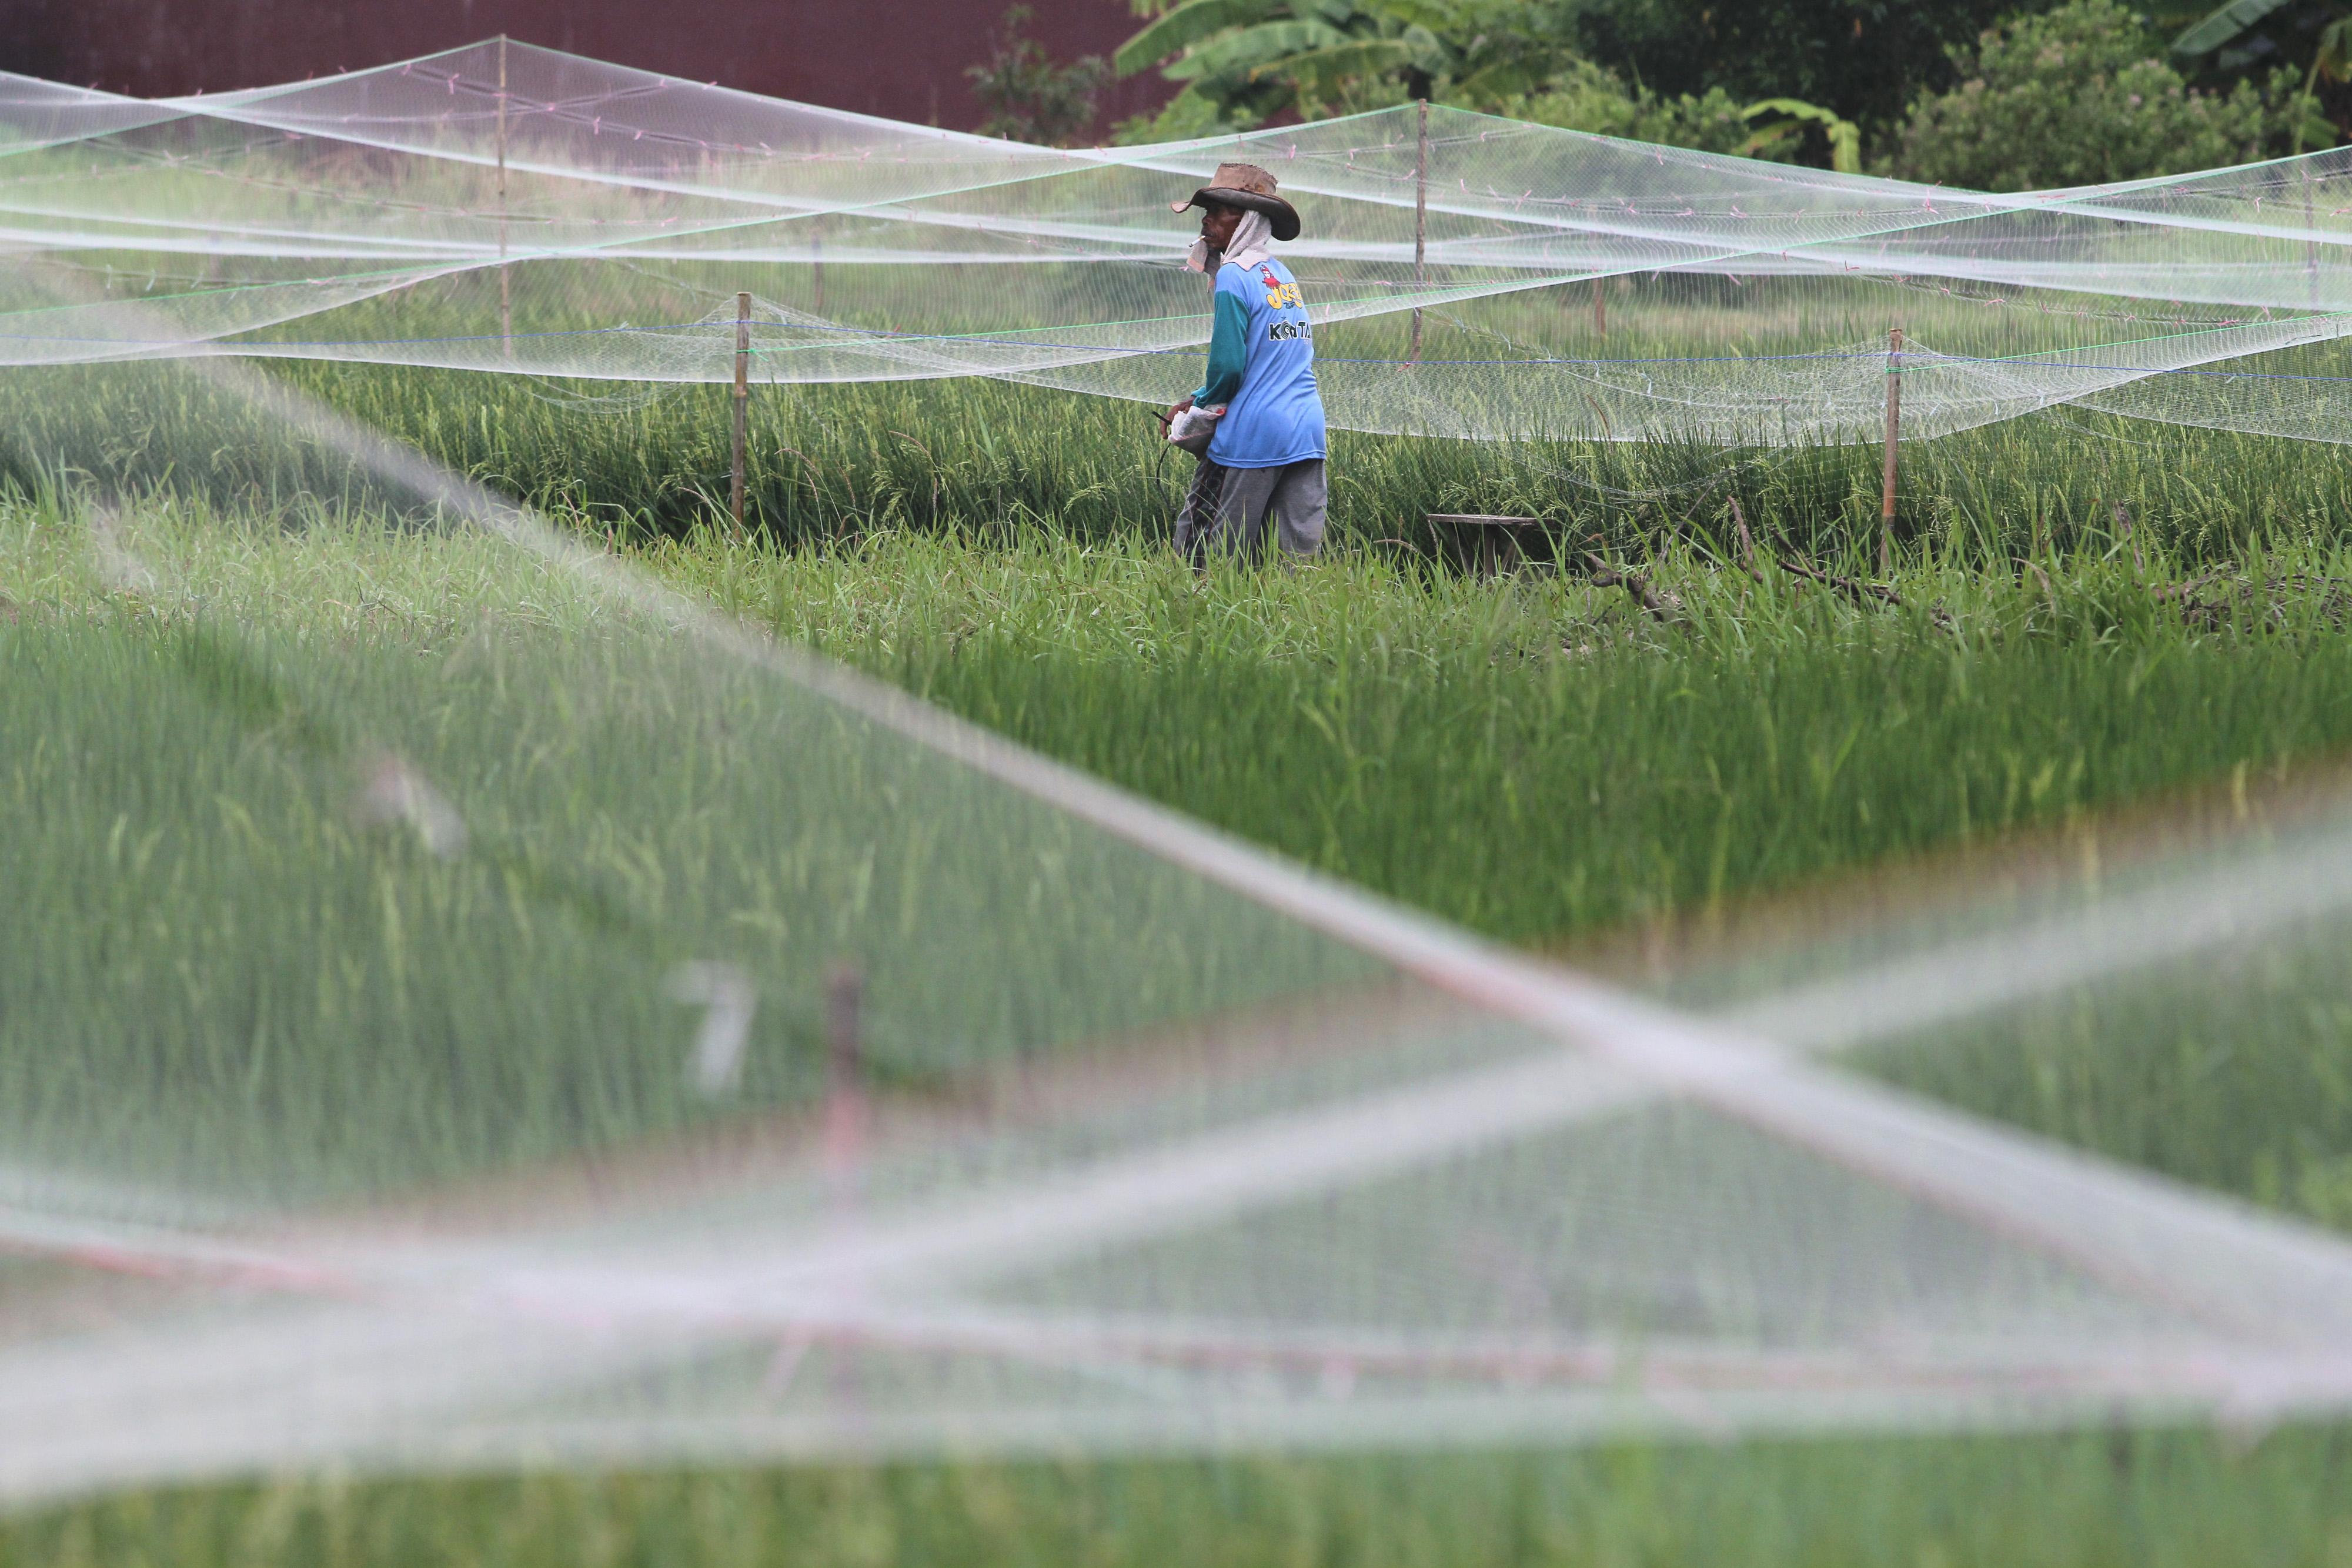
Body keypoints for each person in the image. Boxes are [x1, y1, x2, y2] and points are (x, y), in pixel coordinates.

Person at [1164, 163, 1327, 566]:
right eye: (1208, 210)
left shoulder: (1234, 277)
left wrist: (1198, 408)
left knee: (1205, 550)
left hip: (1253, 435)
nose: (1207, 219)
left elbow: (1229, 369)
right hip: (1305, 430)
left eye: (1219, 211)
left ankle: (1196, 621)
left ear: (1247, 220)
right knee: (1293, 559)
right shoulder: (1281, 274)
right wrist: (1197, 397)